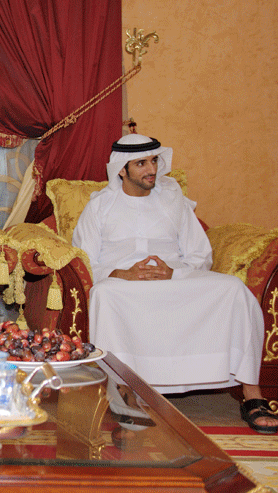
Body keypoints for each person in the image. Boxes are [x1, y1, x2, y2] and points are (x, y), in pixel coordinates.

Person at [72, 133, 278, 434]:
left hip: (175, 277)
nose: (151, 169)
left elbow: (200, 253)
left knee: (233, 289)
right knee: (103, 296)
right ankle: (124, 390)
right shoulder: (99, 206)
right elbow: (85, 259)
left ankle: (252, 394)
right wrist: (121, 273)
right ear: (121, 170)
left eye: (154, 160)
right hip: (121, 284)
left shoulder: (173, 199)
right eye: (141, 163)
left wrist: (174, 272)